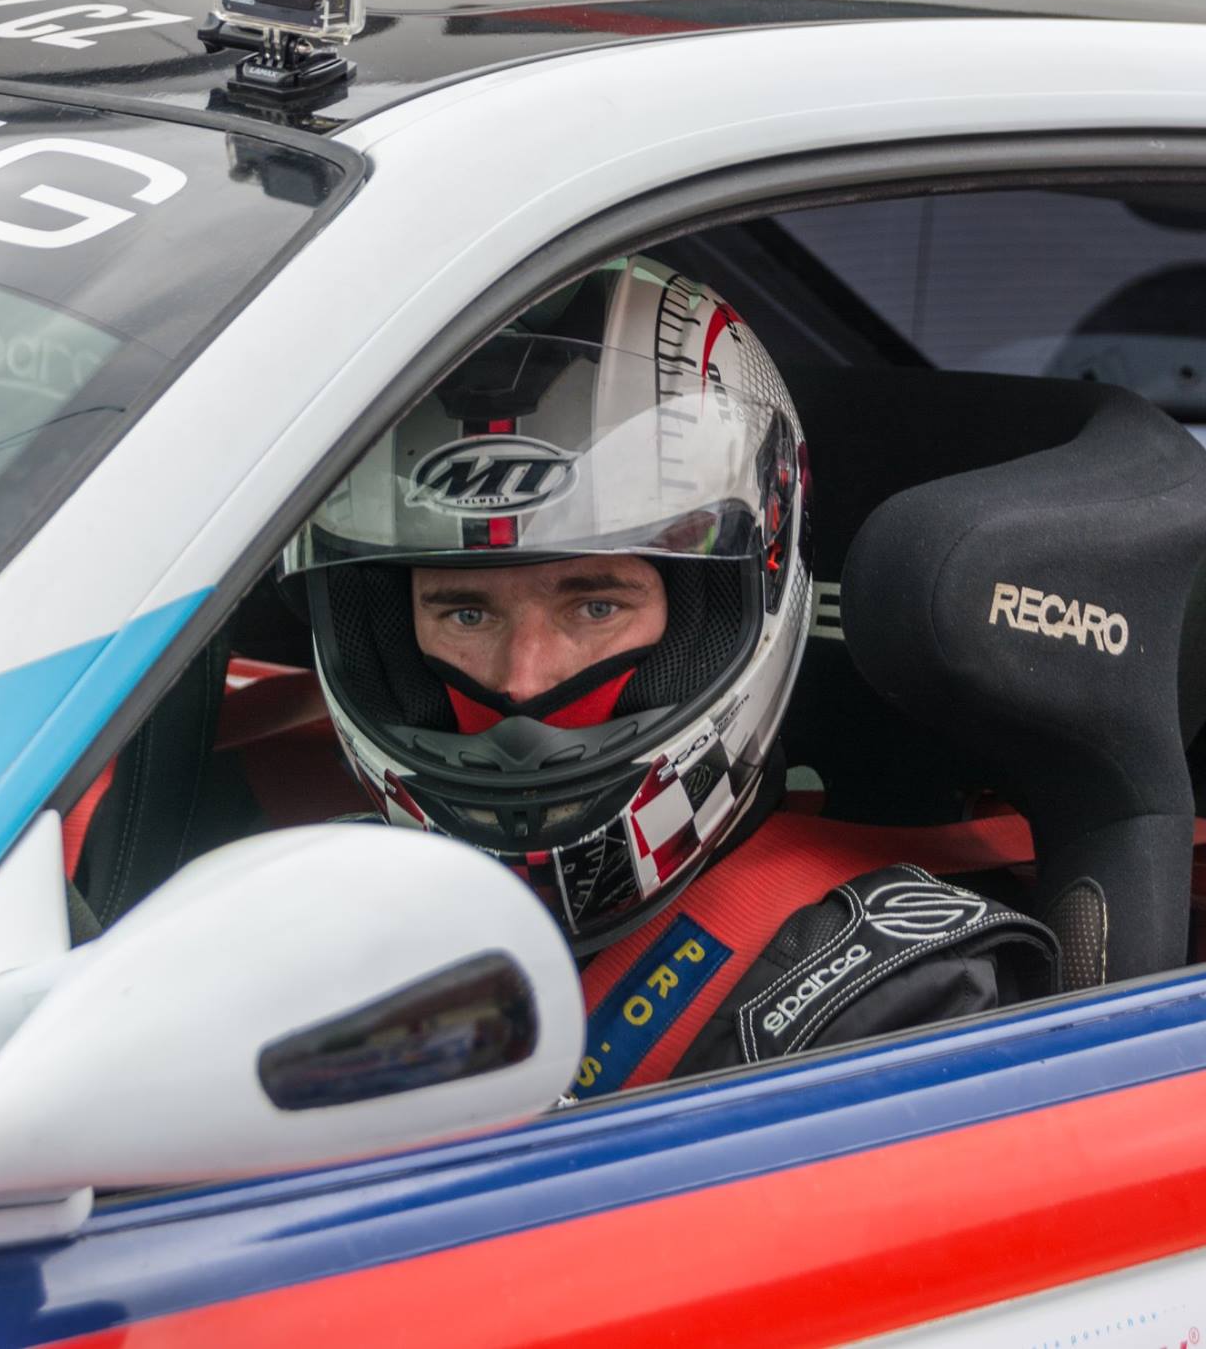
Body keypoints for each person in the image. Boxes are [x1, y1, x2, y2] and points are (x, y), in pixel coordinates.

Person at [282, 256, 1057, 1099]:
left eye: (594, 607)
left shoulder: (892, 1000)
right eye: (466, 614)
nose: (524, 680)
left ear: (713, 610)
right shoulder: (311, 920)